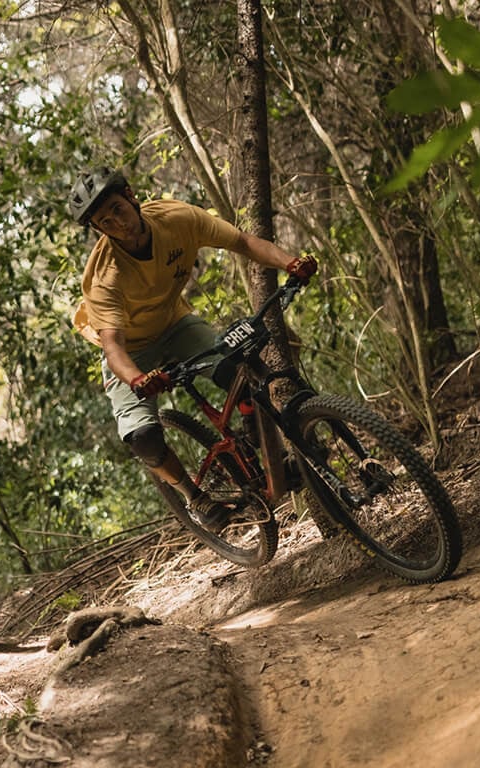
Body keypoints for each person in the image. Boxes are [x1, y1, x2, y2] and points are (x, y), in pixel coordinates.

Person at [69, 167, 316, 532]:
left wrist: (290, 263)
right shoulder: (105, 277)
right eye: (106, 222)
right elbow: (114, 347)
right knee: (144, 439)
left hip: (174, 323)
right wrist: (139, 380)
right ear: (99, 230)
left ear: (132, 196)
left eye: (118, 210)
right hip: (131, 353)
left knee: (239, 374)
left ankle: (269, 456)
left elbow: (243, 243)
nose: (118, 224)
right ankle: (195, 498)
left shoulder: (177, 218)